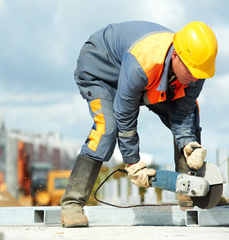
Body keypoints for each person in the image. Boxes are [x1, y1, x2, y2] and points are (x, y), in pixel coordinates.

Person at [61, 21, 218, 228]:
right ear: (176, 56)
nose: (194, 79)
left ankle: (190, 190)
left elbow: (182, 114)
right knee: (107, 129)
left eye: (200, 74)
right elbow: (125, 116)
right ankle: (72, 202)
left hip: (142, 77)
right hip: (101, 70)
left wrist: (190, 143)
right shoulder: (142, 62)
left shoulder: (195, 68)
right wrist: (133, 162)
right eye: (191, 72)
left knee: (190, 121)